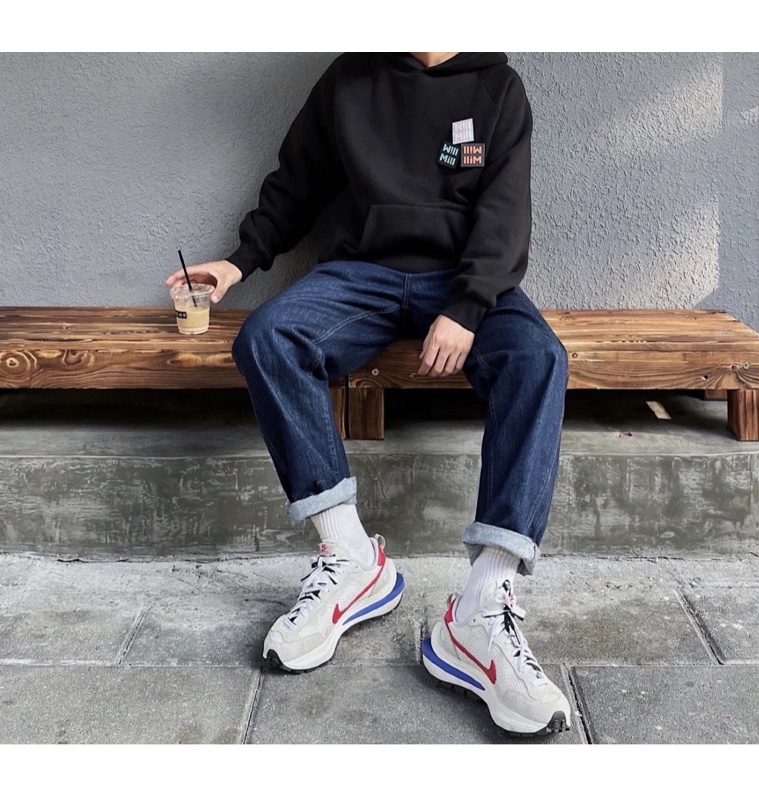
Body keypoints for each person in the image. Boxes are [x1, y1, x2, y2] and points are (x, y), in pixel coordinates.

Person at [165, 52, 572, 737]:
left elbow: (506, 215)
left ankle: (482, 605)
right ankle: (350, 557)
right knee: (267, 338)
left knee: (539, 359)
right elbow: (296, 183)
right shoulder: (349, 79)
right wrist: (238, 263)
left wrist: (468, 306)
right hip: (362, 276)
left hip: (463, 280)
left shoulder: (496, 87)